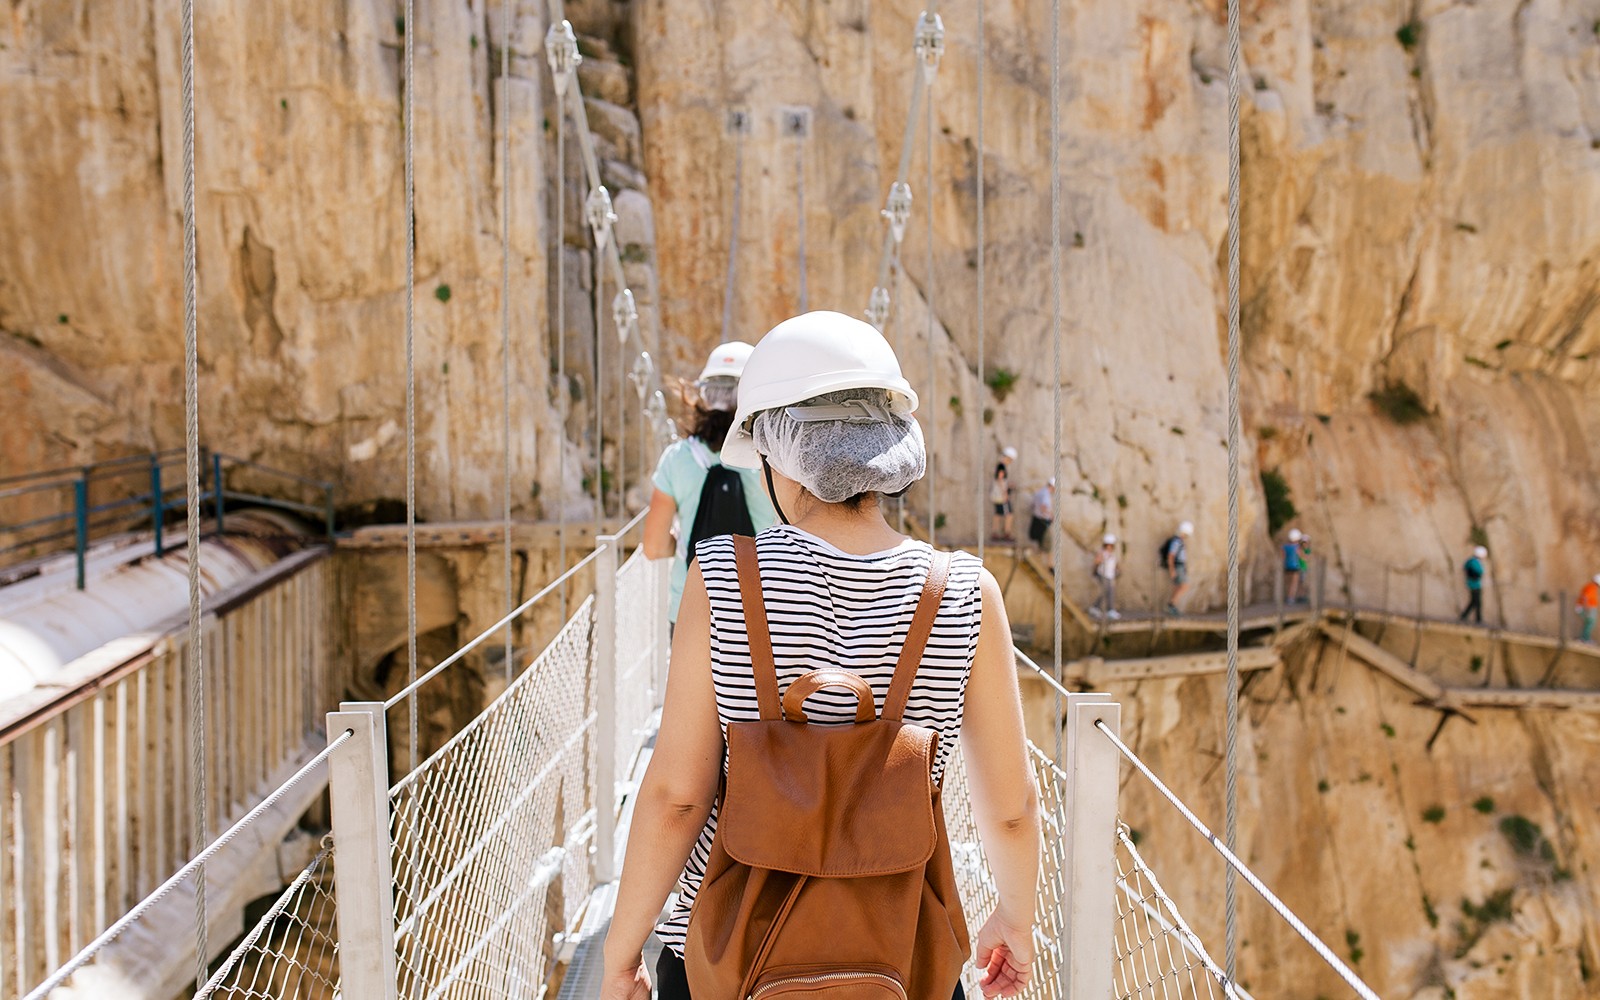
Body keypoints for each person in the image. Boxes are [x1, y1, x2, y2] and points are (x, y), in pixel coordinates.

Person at [602, 312, 1040, 1000]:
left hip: (725, 964)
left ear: (775, 453)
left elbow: (677, 799)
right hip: (902, 963)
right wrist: (1016, 920)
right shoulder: (964, 592)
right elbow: (1011, 808)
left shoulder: (722, 578)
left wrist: (620, 955)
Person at [642, 342, 778, 626]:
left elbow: (653, 547)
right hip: (761, 606)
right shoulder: (773, 457)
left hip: (691, 608)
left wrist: (686, 541)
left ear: (703, 396)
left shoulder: (676, 459)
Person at [1161, 521, 1194, 616]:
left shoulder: (1179, 541)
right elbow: (1171, 555)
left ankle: (1172, 605)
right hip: (1178, 566)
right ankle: (1171, 605)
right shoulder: (1177, 542)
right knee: (1184, 586)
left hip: (1180, 566)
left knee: (1178, 586)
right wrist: (1172, 570)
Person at [1090, 533, 1119, 620]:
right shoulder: (1102, 553)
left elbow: (1115, 565)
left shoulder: (1112, 554)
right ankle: (1106, 609)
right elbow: (1096, 562)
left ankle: (1097, 608)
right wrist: (1100, 561)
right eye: (1108, 545)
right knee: (1107, 591)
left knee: (1108, 591)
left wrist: (1117, 570)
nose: (1110, 546)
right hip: (1103, 575)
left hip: (1110, 575)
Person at [1459, 545, 1487, 624]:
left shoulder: (1473, 561)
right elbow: (1476, 573)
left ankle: (1465, 616)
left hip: (1475, 584)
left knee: (1474, 602)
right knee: (1476, 602)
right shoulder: (1473, 562)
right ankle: (1478, 619)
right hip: (1474, 584)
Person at [1027, 478, 1055, 559]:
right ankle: (1049, 566)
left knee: (1038, 542)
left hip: (1036, 519)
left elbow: (1033, 505)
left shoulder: (1040, 492)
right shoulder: (1046, 494)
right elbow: (1043, 507)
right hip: (1043, 521)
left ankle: (1038, 559)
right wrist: (1050, 516)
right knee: (1047, 545)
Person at [989, 463, 1014, 541]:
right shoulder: (1000, 480)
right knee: (1008, 516)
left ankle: (996, 533)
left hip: (998, 500)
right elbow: (1003, 489)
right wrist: (1006, 495)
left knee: (998, 516)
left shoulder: (998, 480)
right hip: (1002, 501)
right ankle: (1006, 533)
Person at [1283, 528, 1307, 604]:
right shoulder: (1297, 547)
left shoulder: (1285, 547)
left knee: (1288, 582)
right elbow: (1300, 556)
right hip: (1295, 567)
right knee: (1294, 583)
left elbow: (1283, 557)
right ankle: (1291, 598)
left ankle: (1288, 596)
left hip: (1287, 566)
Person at [1576, 574, 1599, 643]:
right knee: (1590, 622)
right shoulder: (1591, 587)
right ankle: (1585, 639)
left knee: (1589, 623)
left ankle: (1584, 638)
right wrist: (1587, 607)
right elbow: (1585, 597)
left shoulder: (1591, 587)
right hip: (1587, 607)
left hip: (1587, 607)